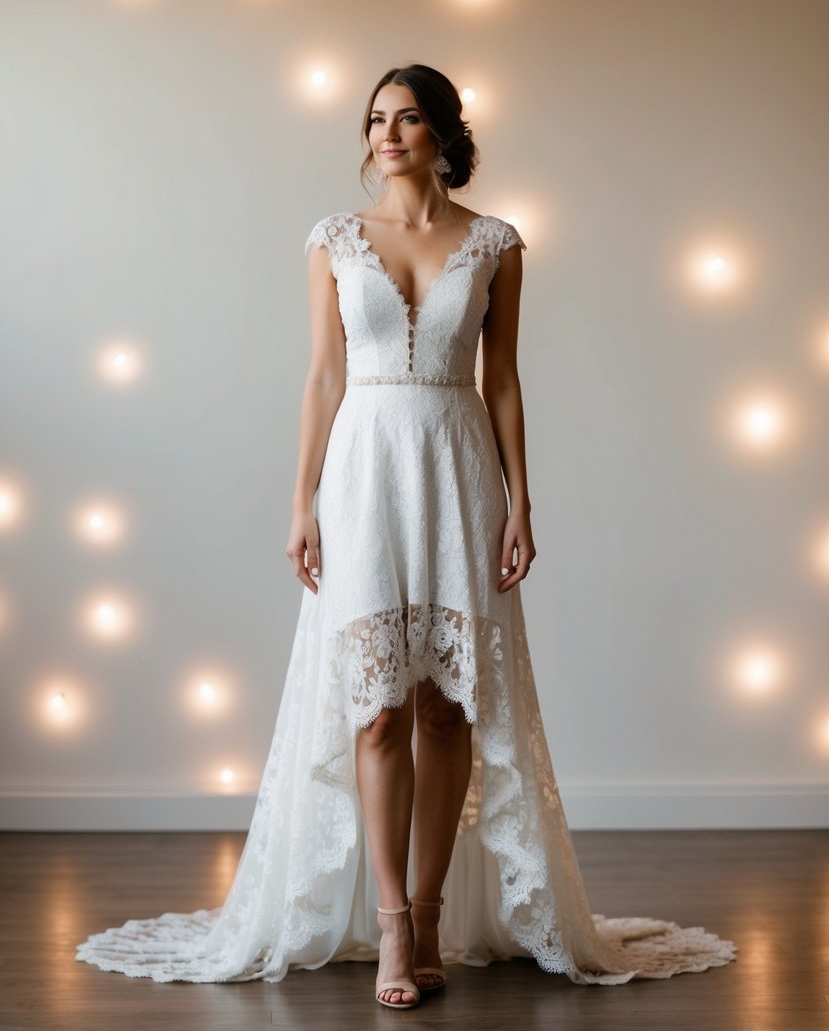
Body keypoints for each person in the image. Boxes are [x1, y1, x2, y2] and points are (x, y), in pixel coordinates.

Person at [76, 63, 737, 1005]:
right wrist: (300, 501)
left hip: (458, 466)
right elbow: (319, 379)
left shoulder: (498, 243)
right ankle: (390, 924)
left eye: (408, 118)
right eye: (376, 119)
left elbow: (502, 379)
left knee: (444, 707)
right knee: (378, 706)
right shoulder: (333, 241)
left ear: (443, 135)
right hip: (362, 473)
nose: (387, 134)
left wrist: (521, 501)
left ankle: (430, 912)